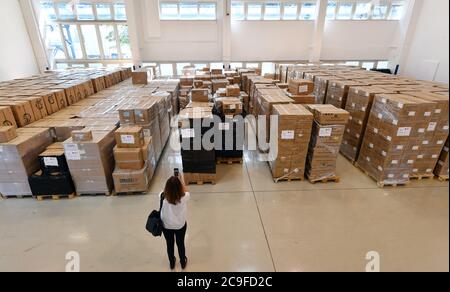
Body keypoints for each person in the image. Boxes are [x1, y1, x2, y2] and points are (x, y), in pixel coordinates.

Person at [160, 176, 190, 270]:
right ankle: (182, 262)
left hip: (166, 225)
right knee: (180, 243)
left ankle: (172, 262)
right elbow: (185, 190)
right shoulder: (185, 197)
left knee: (169, 244)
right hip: (180, 225)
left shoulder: (162, 196)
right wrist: (181, 180)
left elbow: (163, 190)